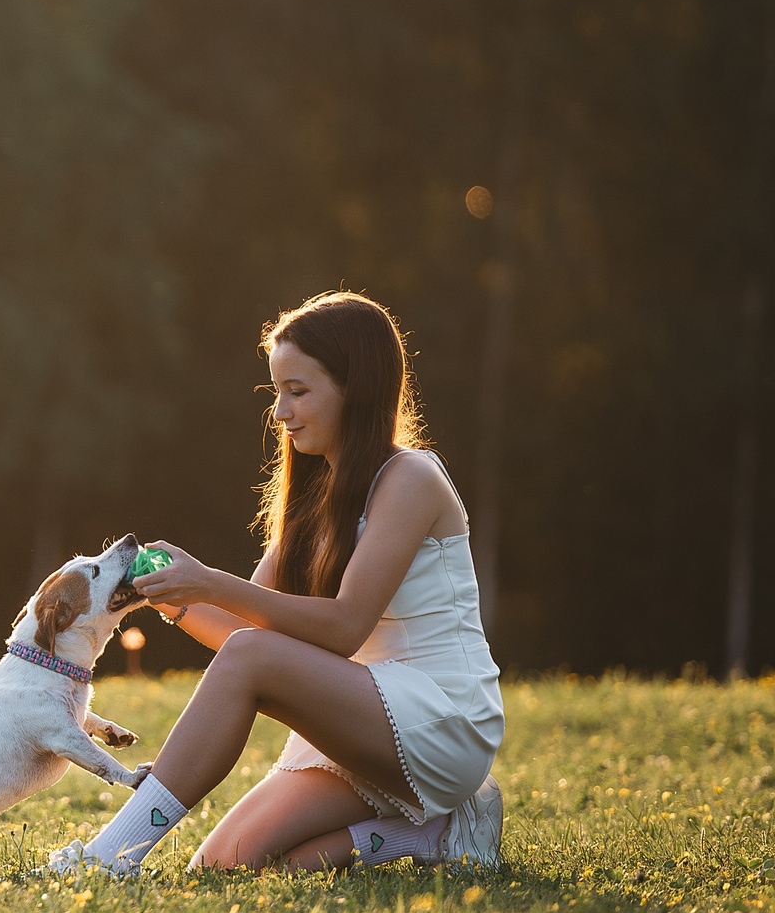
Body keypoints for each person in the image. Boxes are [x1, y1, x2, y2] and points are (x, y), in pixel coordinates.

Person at [50, 291, 504, 878]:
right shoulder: (314, 497)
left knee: (251, 657)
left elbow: (342, 628)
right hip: (360, 712)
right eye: (276, 392)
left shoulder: (410, 479)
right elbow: (242, 637)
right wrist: (174, 598)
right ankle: (434, 834)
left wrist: (208, 581)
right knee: (223, 865)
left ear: (356, 388)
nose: (280, 412)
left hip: (438, 719)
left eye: (298, 391)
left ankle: (108, 857)